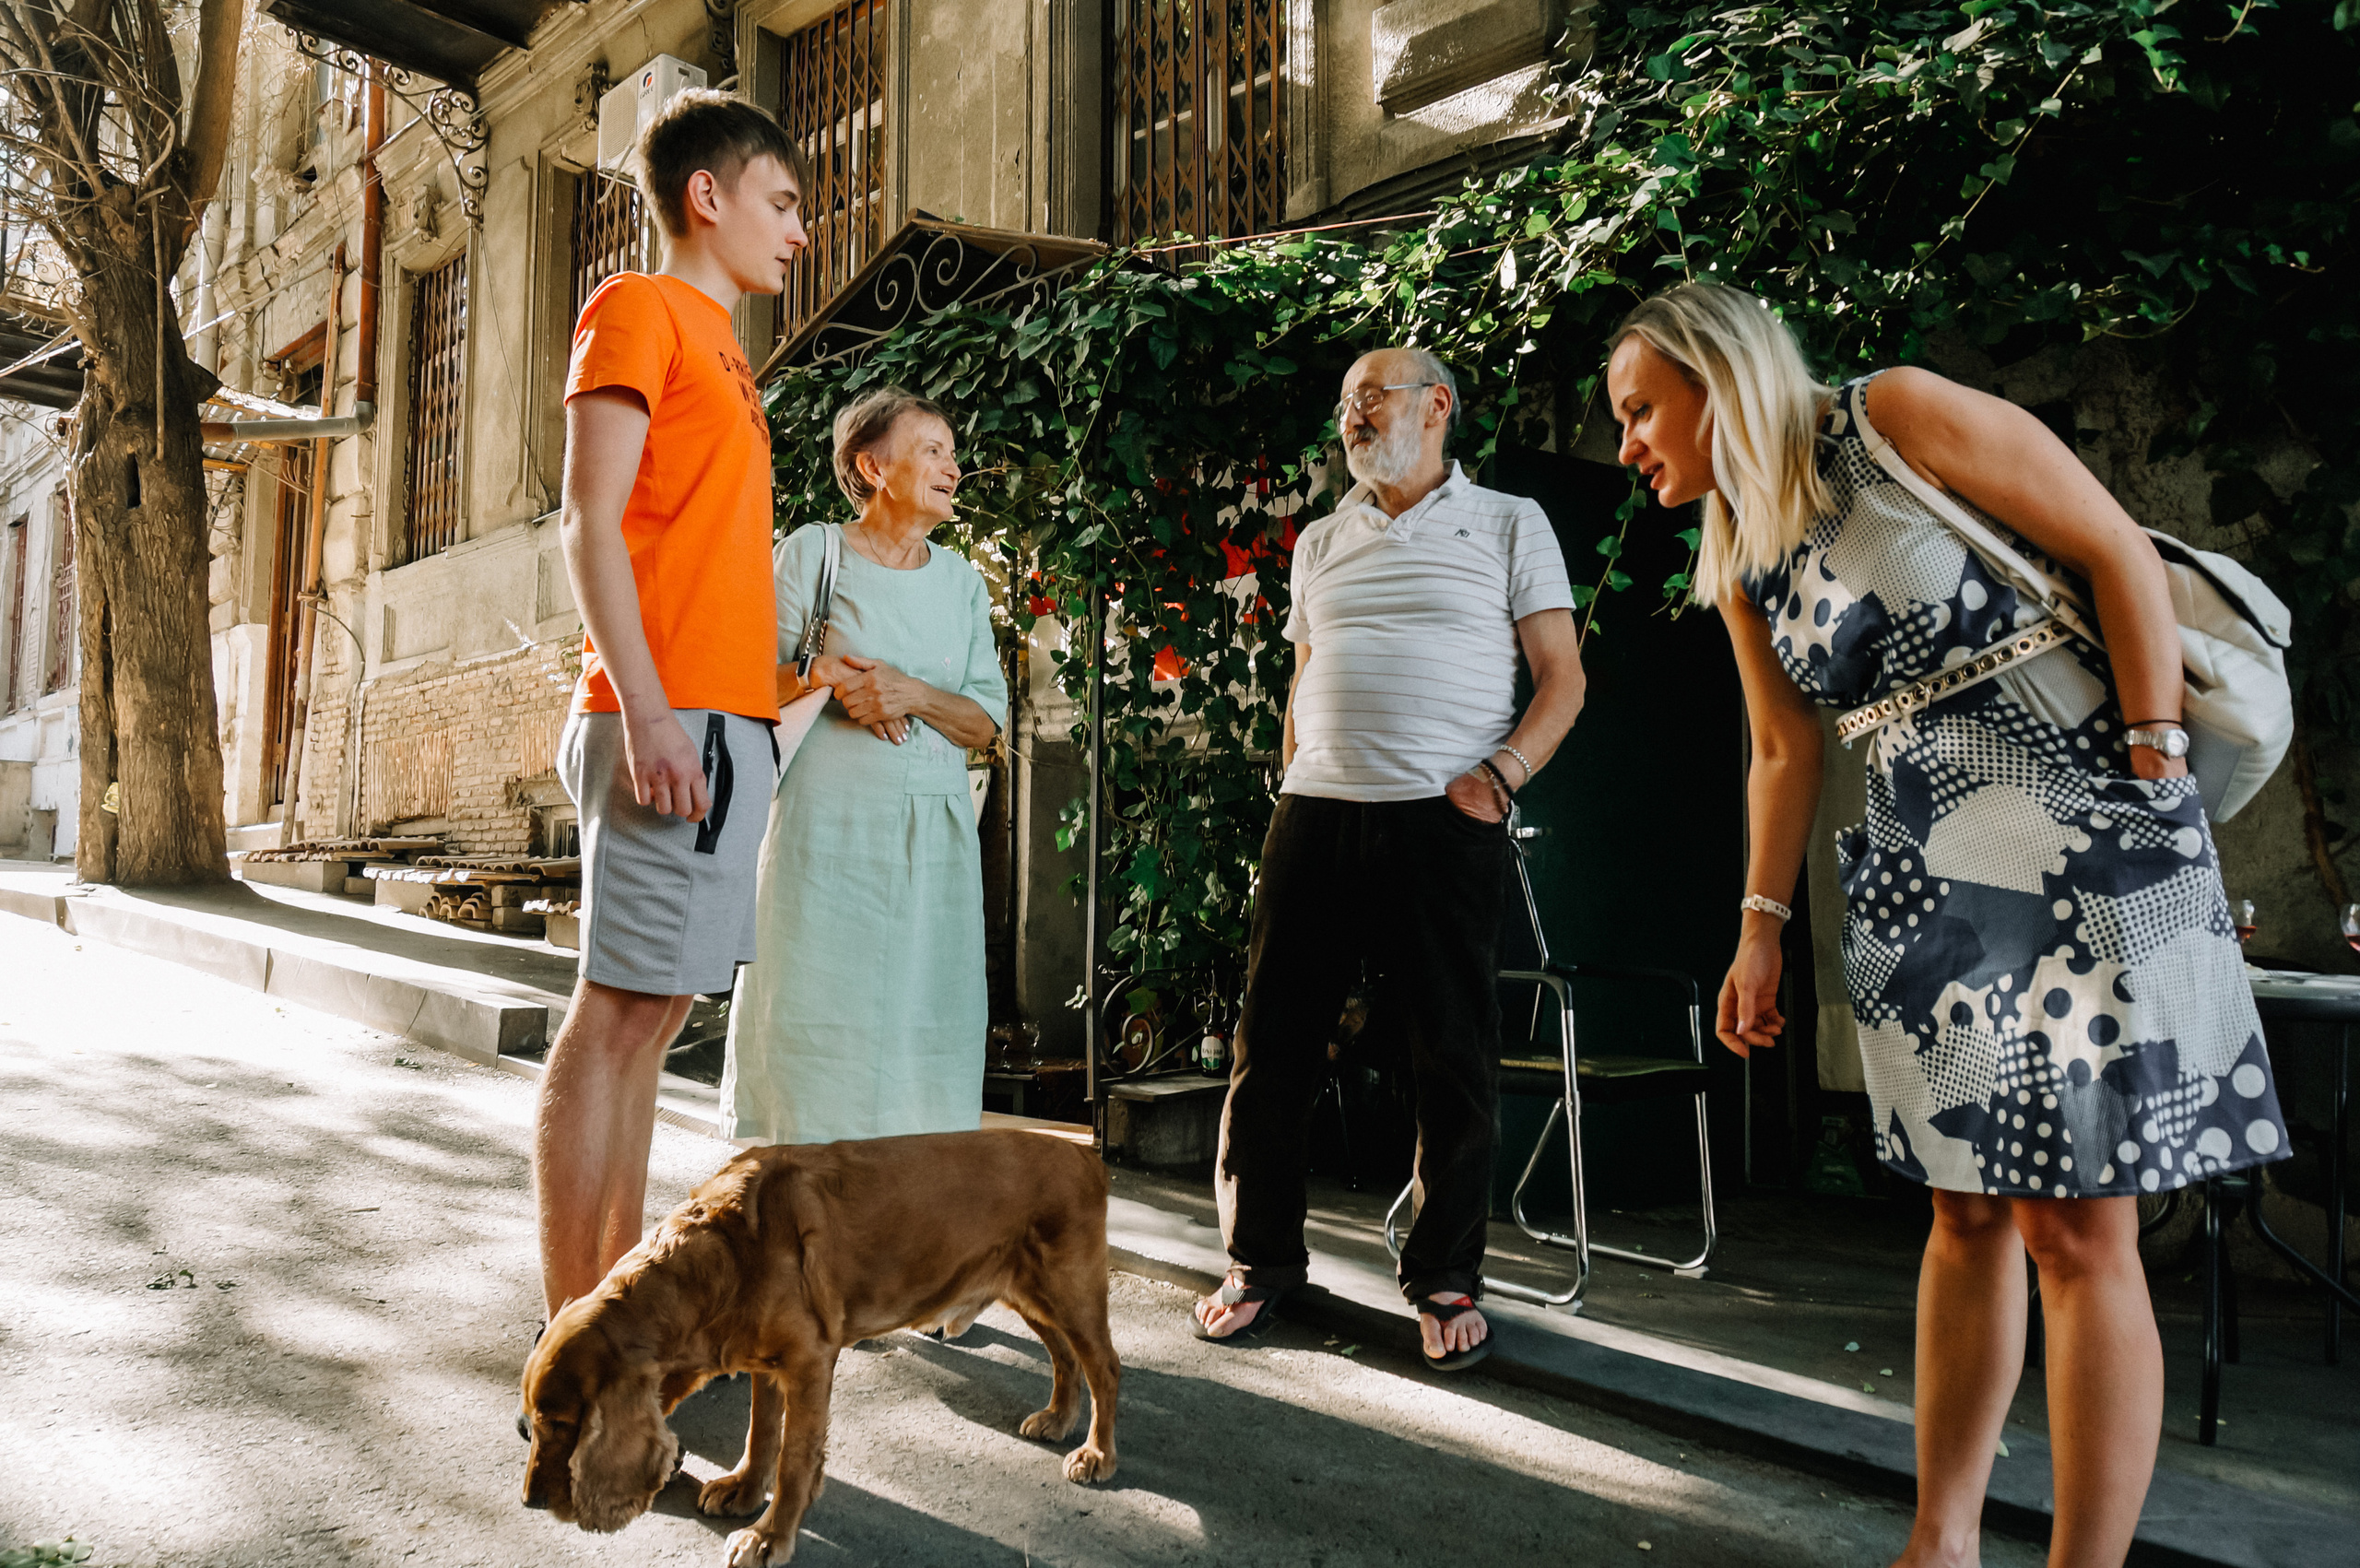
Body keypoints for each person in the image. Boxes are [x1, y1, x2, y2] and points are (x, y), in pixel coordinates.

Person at [1606, 283, 2289, 1568]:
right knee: (1964, 1211)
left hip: (2091, 834)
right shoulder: (1741, 546)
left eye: (1642, 409)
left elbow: (2113, 551)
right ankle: (1943, 1540)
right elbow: (1778, 749)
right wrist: (1758, 930)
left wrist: (2152, 773)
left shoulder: (1894, 416)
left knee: (2081, 1227)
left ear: (1717, 374)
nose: (1631, 442)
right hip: (1925, 882)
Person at [1190, 348, 1587, 1371]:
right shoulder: (1321, 539)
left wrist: (1499, 777)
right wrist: (1292, 778)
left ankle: (1445, 1274)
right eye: (1345, 407)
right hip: (1317, 809)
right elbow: (1304, 677)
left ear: (1436, 404)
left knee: (1448, 1052)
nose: (1352, 418)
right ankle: (1261, 1262)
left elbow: (1562, 680)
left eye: (1371, 398)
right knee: (1269, 1047)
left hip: (1441, 814)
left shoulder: (1509, 522)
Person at [533, 90, 808, 1330]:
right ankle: (576, 1344)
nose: (799, 233)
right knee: (617, 1015)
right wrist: (646, 711)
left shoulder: (732, 355)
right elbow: (589, 521)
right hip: (666, 718)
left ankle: (616, 1314)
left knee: (655, 1022)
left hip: (724, 724)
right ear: (709, 196)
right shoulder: (637, 309)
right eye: (784, 202)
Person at [720, 386, 1007, 1146]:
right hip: (826, 841)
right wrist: (829, 679)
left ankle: (904, 1241)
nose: (953, 466)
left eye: (952, 451)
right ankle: (798, 1231)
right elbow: (745, 677)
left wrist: (910, 692)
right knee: (812, 1042)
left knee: (924, 1041)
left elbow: (986, 721)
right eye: (933, 449)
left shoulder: (963, 583)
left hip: (931, 851)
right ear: (873, 466)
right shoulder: (813, 553)